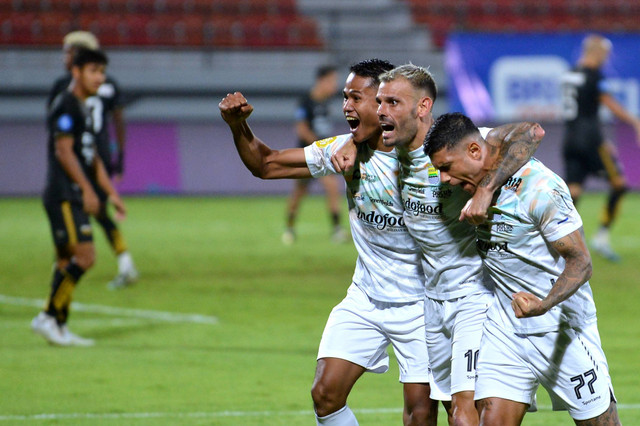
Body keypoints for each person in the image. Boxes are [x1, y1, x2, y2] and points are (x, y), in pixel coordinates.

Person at [219, 59, 443, 426]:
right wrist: (237, 125)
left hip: (421, 305)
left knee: (420, 413)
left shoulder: (434, 159)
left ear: (384, 102)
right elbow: (267, 164)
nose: (346, 106)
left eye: (357, 97)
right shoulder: (342, 150)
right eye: (344, 97)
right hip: (366, 297)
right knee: (325, 394)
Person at [333, 64, 542, 426]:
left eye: (393, 102)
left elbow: (531, 131)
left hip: (476, 297)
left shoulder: (455, 146)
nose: (381, 110)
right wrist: (349, 140)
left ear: (422, 107)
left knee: (465, 412)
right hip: (433, 301)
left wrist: (487, 189)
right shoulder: (387, 153)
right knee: (449, 410)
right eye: (379, 101)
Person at [425, 112, 620, 426]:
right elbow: (520, 134)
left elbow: (581, 263)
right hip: (506, 328)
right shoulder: (479, 151)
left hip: (561, 327)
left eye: (446, 168)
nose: (444, 180)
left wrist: (543, 304)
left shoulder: (540, 189)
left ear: (475, 152)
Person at [32, 48, 127, 346]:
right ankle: (48, 316)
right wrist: (87, 189)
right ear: (76, 72)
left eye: (102, 72)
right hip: (64, 194)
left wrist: (111, 193)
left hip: (70, 193)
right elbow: (64, 152)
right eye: (94, 71)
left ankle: (58, 325)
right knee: (85, 257)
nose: (100, 77)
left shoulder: (85, 107)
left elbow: (93, 157)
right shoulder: (66, 105)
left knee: (64, 262)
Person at [48, 31, 138, 288]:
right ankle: (121, 261)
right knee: (96, 210)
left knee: (85, 210)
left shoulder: (66, 89)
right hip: (97, 154)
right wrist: (119, 156)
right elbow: (119, 121)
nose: (65, 56)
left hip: (80, 158)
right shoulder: (108, 84)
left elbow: (56, 134)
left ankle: (67, 266)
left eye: (69, 51)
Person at [560, 33, 640, 262]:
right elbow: (608, 103)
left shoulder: (569, 74)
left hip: (570, 138)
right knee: (619, 184)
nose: (606, 59)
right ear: (597, 53)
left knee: (573, 191)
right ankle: (601, 237)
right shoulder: (594, 76)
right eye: (605, 55)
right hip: (590, 139)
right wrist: (634, 122)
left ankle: (557, 241)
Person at [282, 64, 348, 245]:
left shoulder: (326, 104)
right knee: (299, 192)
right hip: (306, 154)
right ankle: (289, 228)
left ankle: (336, 230)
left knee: (332, 186)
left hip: (322, 155)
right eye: (332, 80)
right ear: (322, 80)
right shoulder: (306, 102)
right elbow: (301, 129)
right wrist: (319, 146)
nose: (334, 85)